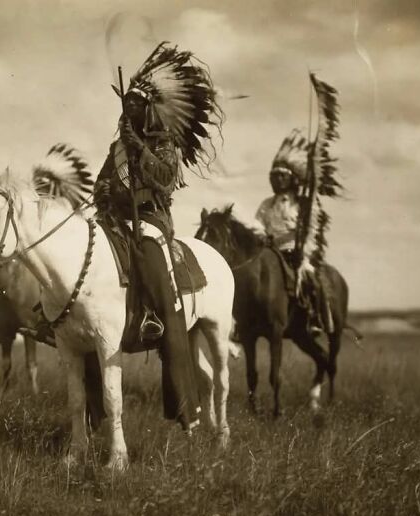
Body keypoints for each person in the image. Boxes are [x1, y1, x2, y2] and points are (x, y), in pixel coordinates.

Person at [94, 42, 224, 431]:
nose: (127, 110)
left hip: (150, 221)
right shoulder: (117, 147)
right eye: (125, 104)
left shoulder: (161, 143)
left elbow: (166, 180)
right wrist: (102, 200)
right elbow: (102, 182)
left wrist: (141, 152)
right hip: (115, 221)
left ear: (147, 108)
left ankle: (158, 323)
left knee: (153, 263)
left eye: (134, 104)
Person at [255, 129, 326, 333]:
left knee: (310, 278)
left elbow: (313, 231)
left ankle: (314, 318)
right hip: (269, 253)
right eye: (274, 176)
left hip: (295, 253)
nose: (276, 180)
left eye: (281, 176)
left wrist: (303, 250)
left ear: (292, 179)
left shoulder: (303, 205)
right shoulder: (266, 204)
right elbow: (258, 225)